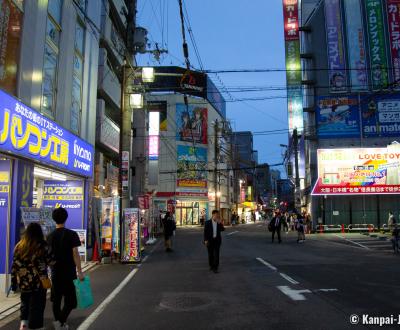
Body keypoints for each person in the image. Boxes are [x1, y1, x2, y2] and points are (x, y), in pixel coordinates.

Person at [11, 223, 54, 330]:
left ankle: (24, 324)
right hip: (39, 282)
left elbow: (14, 266)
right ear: (39, 232)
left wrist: (13, 283)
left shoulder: (19, 246)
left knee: (25, 303)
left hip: (23, 282)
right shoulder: (43, 245)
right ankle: (37, 326)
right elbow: (51, 261)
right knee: (37, 305)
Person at [47, 207, 84, 330]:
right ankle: (61, 322)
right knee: (71, 301)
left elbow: (47, 255)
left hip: (55, 272)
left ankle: (59, 323)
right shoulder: (71, 234)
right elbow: (75, 253)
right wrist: (80, 271)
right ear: (66, 218)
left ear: (54, 219)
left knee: (56, 300)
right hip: (69, 272)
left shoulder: (49, 236)